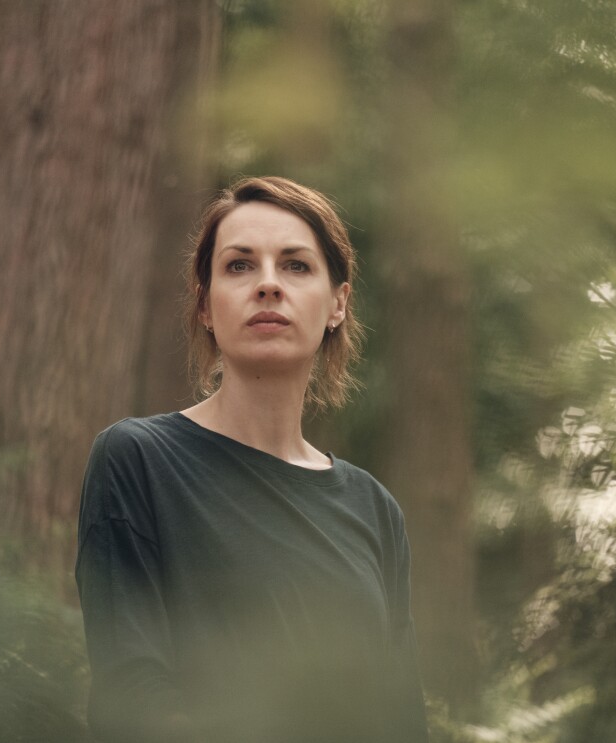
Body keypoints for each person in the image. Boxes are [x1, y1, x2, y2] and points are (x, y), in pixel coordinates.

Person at [75, 176, 429, 743]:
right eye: (239, 266)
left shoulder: (375, 509)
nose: (267, 284)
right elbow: (131, 698)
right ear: (205, 306)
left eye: (295, 265)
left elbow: (401, 719)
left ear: (337, 303)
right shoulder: (137, 459)